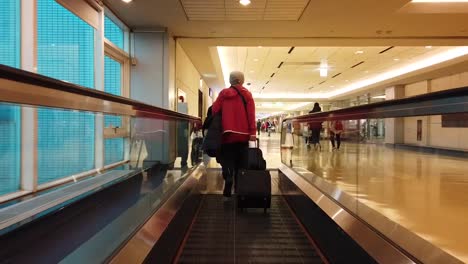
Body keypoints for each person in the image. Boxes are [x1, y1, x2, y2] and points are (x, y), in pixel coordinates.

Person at [212, 71, 256, 199]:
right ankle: (238, 187)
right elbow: (251, 115)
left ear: (230, 81)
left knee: (227, 158)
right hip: (243, 135)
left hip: (227, 134)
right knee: (241, 161)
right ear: (242, 81)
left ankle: (228, 176)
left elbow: (215, 110)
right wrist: (252, 132)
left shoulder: (223, 94)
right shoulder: (247, 95)